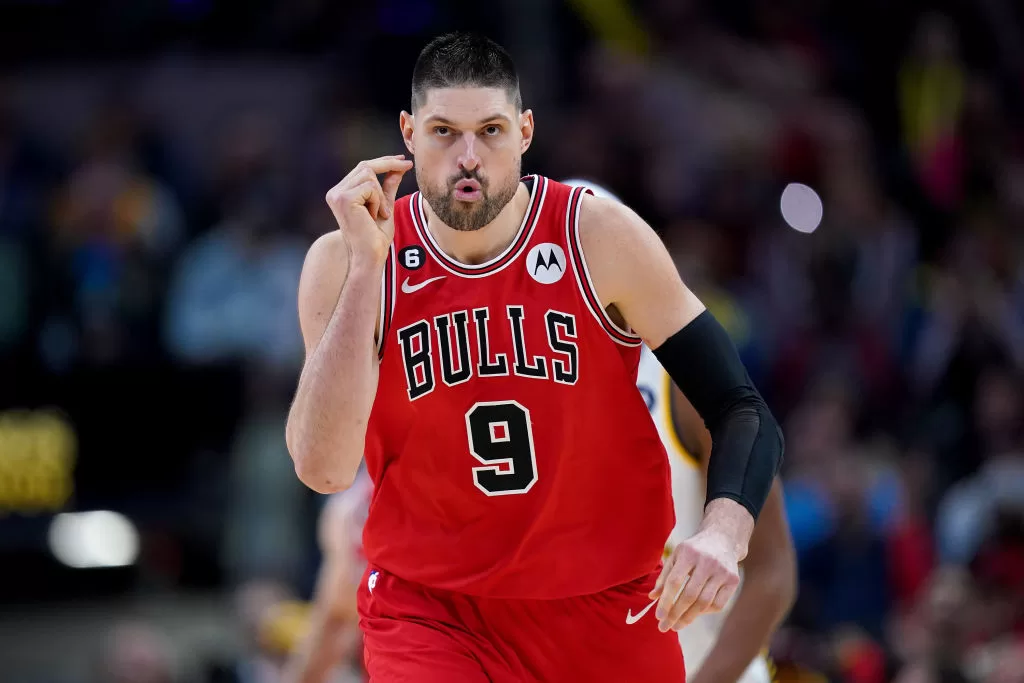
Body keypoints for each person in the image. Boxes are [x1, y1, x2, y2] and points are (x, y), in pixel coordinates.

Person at [286, 32, 785, 682]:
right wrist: (365, 273)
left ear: (524, 130)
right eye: (444, 132)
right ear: (408, 134)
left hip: (605, 608)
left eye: (489, 130)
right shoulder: (346, 258)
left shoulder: (598, 237)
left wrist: (723, 531)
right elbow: (324, 469)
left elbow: (738, 404)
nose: (468, 157)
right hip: (431, 612)